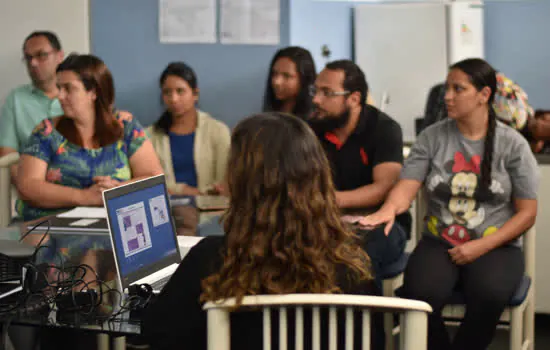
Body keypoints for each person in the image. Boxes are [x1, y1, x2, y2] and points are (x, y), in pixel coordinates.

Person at [143, 112, 383, 350]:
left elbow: (159, 334)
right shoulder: (354, 270)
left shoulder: (211, 262)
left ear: (241, 183)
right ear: (318, 179)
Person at [360, 58, 539, 350]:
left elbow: (527, 213)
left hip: (496, 245)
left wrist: (480, 246)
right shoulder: (432, 137)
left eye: (458, 89)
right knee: (419, 294)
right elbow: (407, 185)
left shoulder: (513, 145)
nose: (447, 96)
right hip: (439, 241)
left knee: (490, 293)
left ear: (484, 96)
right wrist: (387, 210)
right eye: (447, 88)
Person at [16, 54, 163, 221]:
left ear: (93, 92)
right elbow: (28, 186)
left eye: (68, 88)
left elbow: (154, 178)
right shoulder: (47, 131)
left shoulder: (124, 125)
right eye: (59, 87)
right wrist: (85, 197)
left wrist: (114, 192)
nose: (60, 96)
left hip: (113, 225)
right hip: (52, 228)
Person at [308, 59, 408, 282]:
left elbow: (383, 188)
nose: (316, 99)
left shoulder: (384, 129)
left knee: (356, 256)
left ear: (353, 99)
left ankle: (367, 316)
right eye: (315, 91)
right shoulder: (311, 129)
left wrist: (328, 199)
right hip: (324, 220)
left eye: (327, 93)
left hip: (377, 221)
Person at [147, 62, 230, 196]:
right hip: (167, 210)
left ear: (195, 94)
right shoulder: (150, 135)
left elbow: (224, 180)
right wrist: (185, 190)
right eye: (167, 92)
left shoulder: (218, 131)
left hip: (211, 209)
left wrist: (206, 193)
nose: (173, 99)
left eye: (180, 91)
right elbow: (150, 183)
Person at [0, 31, 64, 179]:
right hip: (32, 184)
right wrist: (31, 185)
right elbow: (7, 154)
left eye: (41, 55)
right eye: (28, 58)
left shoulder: (78, 95)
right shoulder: (16, 99)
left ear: (59, 56)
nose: (33, 63)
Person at [263, 46, 316, 119]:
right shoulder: (271, 113)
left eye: (286, 76)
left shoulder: (313, 117)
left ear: (304, 79)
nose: (276, 82)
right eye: (274, 73)